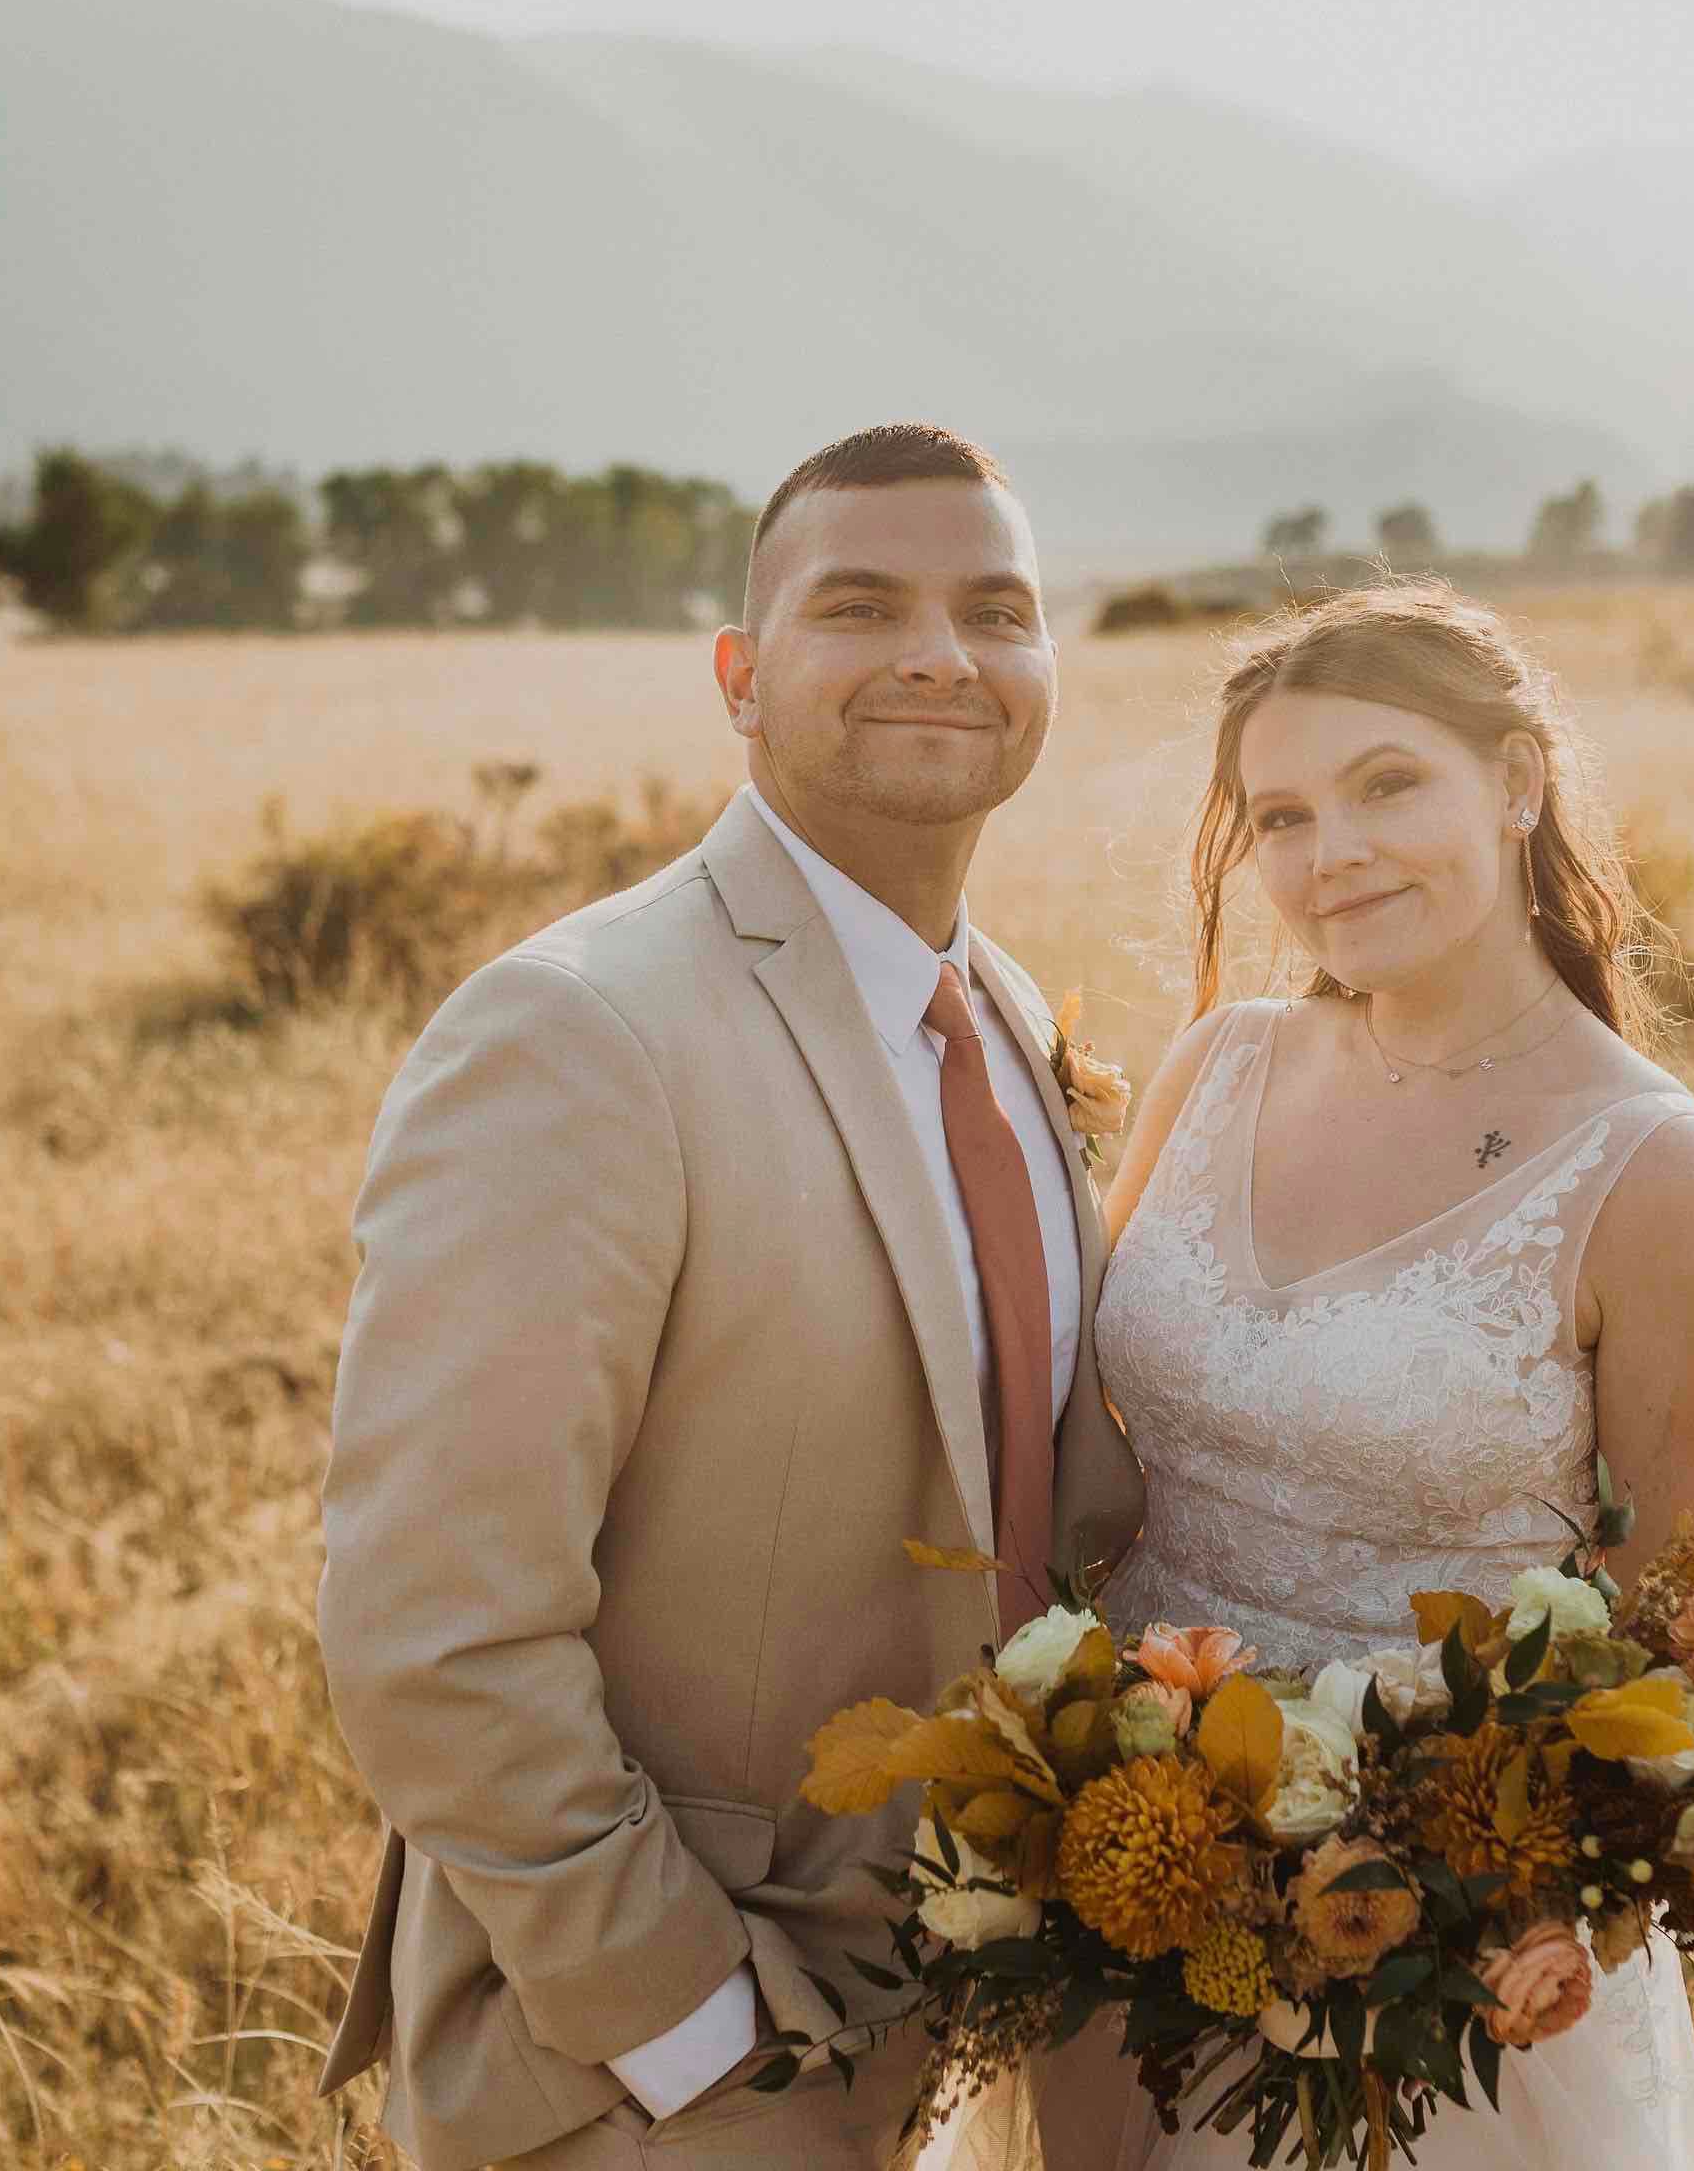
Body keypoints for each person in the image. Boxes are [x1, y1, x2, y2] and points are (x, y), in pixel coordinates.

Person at [312, 424, 1144, 2171]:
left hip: (955, 2017)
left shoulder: (999, 1012)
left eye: (997, 610)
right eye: (863, 605)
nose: (940, 652)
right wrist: (693, 2032)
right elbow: (435, 1629)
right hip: (659, 2073)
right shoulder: (581, 1034)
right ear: (741, 677)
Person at [1090, 578, 1694, 2170]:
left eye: (1386, 783)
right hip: (1123, 1885)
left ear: (1518, 781)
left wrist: (1425, 1908)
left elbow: (1659, 1664)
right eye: (1279, 814)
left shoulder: (1653, 1176)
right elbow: (1087, 1460)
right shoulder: (1216, 1068)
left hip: (1434, 1985)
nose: (1329, 853)